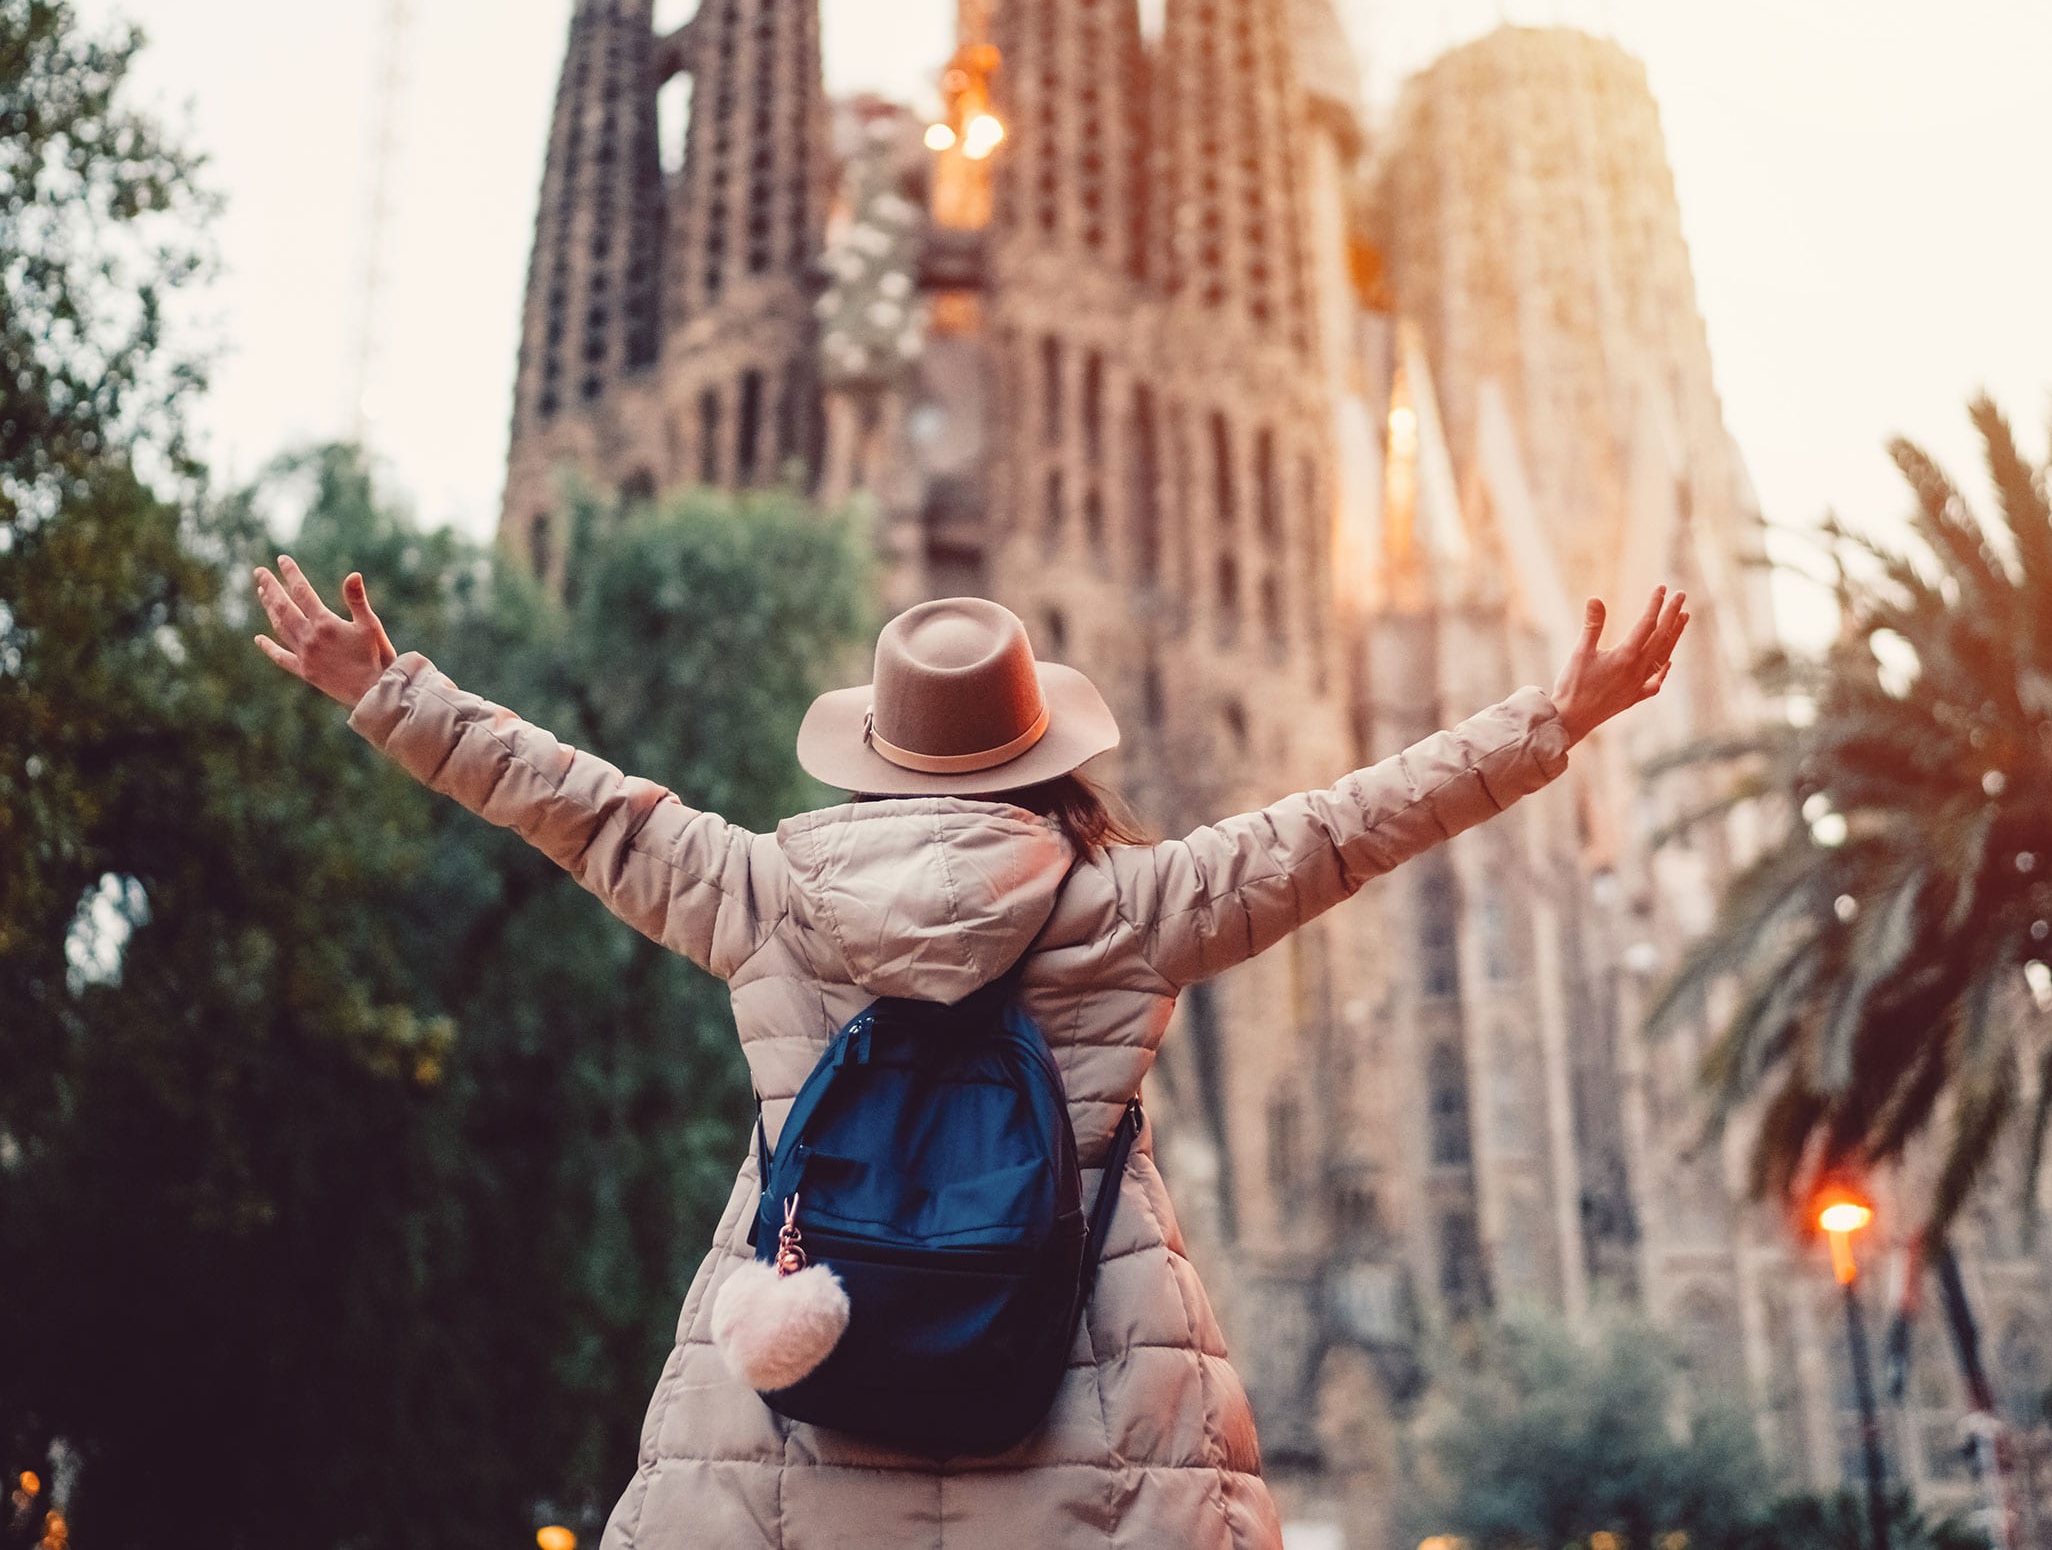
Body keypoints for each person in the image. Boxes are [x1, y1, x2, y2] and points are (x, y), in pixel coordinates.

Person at [252, 555, 1686, 1549]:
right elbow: (1349, 824)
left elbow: (584, 809)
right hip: (1084, 1412)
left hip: (794, 1417)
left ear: (871, 755)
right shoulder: (1132, 909)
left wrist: (390, 691)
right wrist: (1553, 717)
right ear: (1047, 758)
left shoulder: (763, 896)